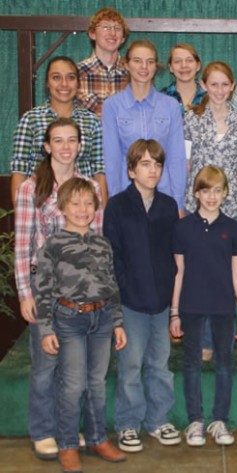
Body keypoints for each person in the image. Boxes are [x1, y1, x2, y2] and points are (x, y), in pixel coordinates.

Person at [14, 117, 104, 460]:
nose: (66, 147)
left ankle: (68, 428)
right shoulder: (32, 188)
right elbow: (23, 247)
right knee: (46, 362)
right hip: (46, 286)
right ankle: (43, 430)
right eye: (58, 141)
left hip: (82, 287)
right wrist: (26, 293)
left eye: (72, 140)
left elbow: (96, 240)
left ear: (80, 145)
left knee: (74, 366)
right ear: (48, 146)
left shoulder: (90, 189)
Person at [35, 177, 127, 472]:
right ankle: (68, 444)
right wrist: (46, 329)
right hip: (68, 321)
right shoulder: (53, 244)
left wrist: (117, 323)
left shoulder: (102, 244)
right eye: (75, 203)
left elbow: (111, 285)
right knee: (73, 385)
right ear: (62, 207)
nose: (83, 209)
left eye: (88, 203)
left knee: (97, 384)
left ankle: (98, 437)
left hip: (101, 320)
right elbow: (44, 289)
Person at [103, 139, 181, 453]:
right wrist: (123, 292)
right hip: (130, 300)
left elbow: (173, 257)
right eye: (145, 164)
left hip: (161, 299)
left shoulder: (167, 206)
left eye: (157, 164)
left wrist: (172, 301)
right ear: (132, 169)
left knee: (160, 364)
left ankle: (158, 420)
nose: (153, 170)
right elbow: (113, 254)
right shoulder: (118, 206)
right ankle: (128, 424)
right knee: (131, 365)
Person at [170, 165, 237, 447]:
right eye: (206, 191)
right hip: (191, 307)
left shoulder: (234, 228)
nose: (212, 196)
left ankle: (219, 420)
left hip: (223, 309)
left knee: (224, 365)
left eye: (217, 190)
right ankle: (195, 421)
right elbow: (179, 272)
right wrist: (175, 312)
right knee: (192, 364)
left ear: (226, 193)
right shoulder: (182, 228)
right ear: (196, 193)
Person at [102, 39, 187, 212]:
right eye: (137, 61)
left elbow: (176, 157)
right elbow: (112, 158)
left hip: (164, 195)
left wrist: (178, 202)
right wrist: (115, 200)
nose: (144, 67)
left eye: (150, 62)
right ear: (126, 64)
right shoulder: (112, 106)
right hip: (127, 196)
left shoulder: (170, 105)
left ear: (156, 66)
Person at [10, 56, 105, 206]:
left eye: (71, 78)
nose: (64, 84)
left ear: (78, 83)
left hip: (82, 210)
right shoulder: (30, 120)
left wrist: (101, 215)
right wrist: (22, 213)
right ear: (47, 83)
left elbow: (99, 171)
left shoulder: (92, 121)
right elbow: (19, 171)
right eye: (56, 77)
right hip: (40, 207)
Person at [183, 61, 237, 220]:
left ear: (232, 85)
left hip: (231, 205)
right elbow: (186, 164)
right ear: (203, 85)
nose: (220, 91)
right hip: (197, 204)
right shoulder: (190, 120)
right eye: (214, 85)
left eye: (225, 84)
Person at [77, 7, 130, 118]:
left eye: (117, 28)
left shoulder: (133, 73)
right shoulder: (76, 73)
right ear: (92, 34)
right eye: (105, 27)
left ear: (123, 38)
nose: (112, 33)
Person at [161, 43, 206, 114]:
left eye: (189, 60)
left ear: (198, 66)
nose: (184, 65)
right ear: (171, 68)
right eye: (177, 61)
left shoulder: (209, 96)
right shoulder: (161, 98)